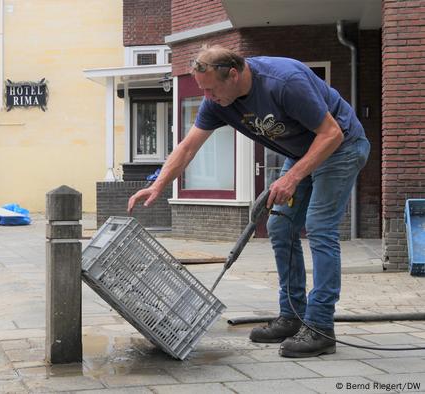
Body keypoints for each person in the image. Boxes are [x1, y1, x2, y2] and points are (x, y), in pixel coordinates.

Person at [128, 45, 370, 358]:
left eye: (212, 88)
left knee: (319, 227)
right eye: (203, 90)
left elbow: (331, 133)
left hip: (341, 148)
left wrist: (292, 177)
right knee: (280, 229)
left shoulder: (283, 82)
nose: (208, 96)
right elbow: (188, 147)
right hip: (301, 154)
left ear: (235, 74)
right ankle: (292, 316)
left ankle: (321, 327)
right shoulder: (216, 101)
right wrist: (158, 185)